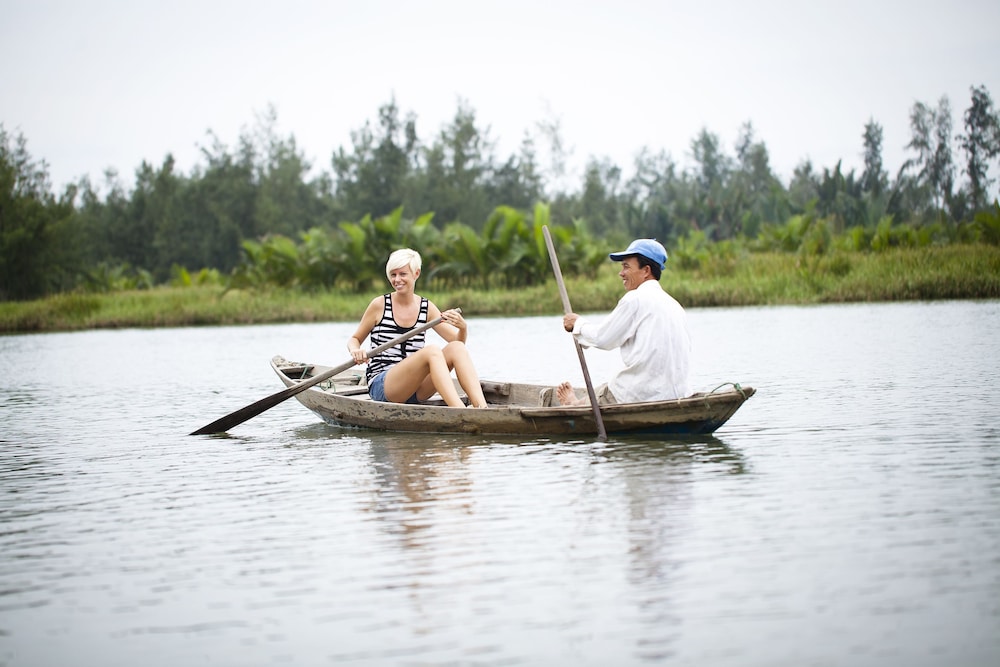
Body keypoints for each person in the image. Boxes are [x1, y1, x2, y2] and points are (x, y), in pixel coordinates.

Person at [556, 238, 692, 406]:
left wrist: (577, 324)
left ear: (646, 271)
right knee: (608, 388)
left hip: (640, 394)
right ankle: (581, 402)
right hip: (677, 394)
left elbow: (602, 338)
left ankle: (574, 404)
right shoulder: (675, 305)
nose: (621, 273)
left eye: (626, 267)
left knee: (612, 390)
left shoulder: (635, 299)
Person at [347, 248, 488, 408]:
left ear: (416, 274)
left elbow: (458, 343)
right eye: (393, 275)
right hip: (384, 386)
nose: (397, 279)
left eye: (402, 274)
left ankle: (482, 409)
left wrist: (463, 328)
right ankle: (460, 411)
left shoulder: (426, 307)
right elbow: (354, 339)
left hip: (416, 389)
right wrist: (355, 350)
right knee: (432, 351)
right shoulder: (379, 305)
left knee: (456, 348)